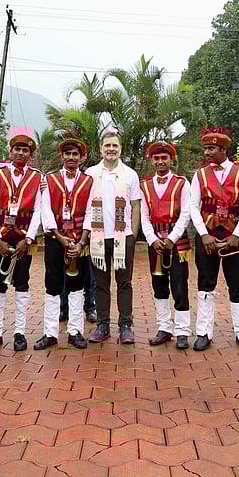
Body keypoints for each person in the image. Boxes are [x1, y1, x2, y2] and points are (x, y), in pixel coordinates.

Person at [189, 126, 239, 351]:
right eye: (206, 149)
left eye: (211, 148)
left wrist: (237, 234)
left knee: (237, 283)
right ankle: (204, 332)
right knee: (205, 283)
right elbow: (193, 206)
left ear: (223, 149)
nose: (207, 153)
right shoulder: (200, 175)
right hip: (208, 234)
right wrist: (204, 234)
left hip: (233, 236)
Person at [85, 127, 144, 345]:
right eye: (107, 145)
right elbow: (84, 204)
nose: (111, 149)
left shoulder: (130, 174)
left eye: (115, 145)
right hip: (98, 236)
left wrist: (133, 234)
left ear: (121, 149)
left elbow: (136, 206)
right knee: (100, 284)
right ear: (100, 149)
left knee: (124, 282)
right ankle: (103, 325)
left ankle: (125, 325)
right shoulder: (91, 174)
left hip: (123, 236)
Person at [36, 130, 93, 350]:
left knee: (77, 285)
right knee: (52, 284)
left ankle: (75, 331)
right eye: (67, 153)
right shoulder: (49, 179)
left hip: (79, 241)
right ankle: (50, 333)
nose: (71, 157)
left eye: (75, 154)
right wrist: (59, 237)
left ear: (82, 157)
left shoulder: (89, 181)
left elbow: (91, 212)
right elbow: (45, 210)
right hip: (55, 239)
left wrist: (82, 243)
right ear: (61, 156)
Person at [0, 133, 42, 351]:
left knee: (22, 284)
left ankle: (20, 333)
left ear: (30, 155)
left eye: (25, 150)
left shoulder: (38, 177)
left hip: (23, 238)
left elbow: (38, 210)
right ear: (10, 152)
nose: (20, 153)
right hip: (0, 237)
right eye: (17, 149)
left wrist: (28, 239)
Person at [140, 141, 192, 349]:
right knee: (158, 284)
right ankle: (164, 328)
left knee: (179, 284)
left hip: (177, 241)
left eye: (164, 158)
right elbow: (144, 216)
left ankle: (182, 330)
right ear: (152, 161)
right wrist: (152, 240)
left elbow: (186, 213)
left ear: (171, 160)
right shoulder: (145, 185)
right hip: (155, 242)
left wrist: (172, 238)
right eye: (156, 158)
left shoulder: (182, 183)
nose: (160, 162)